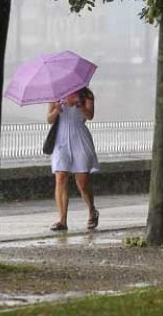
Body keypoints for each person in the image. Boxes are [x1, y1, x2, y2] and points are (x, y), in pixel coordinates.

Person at [47, 87, 99, 231]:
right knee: (61, 177)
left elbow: (90, 116)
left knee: (82, 182)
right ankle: (62, 220)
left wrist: (80, 105)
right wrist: (57, 109)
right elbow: (49, 119)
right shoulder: (56, 94)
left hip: (80, 139)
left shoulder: (86, 95)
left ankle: (92, 210)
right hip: (61, 140)